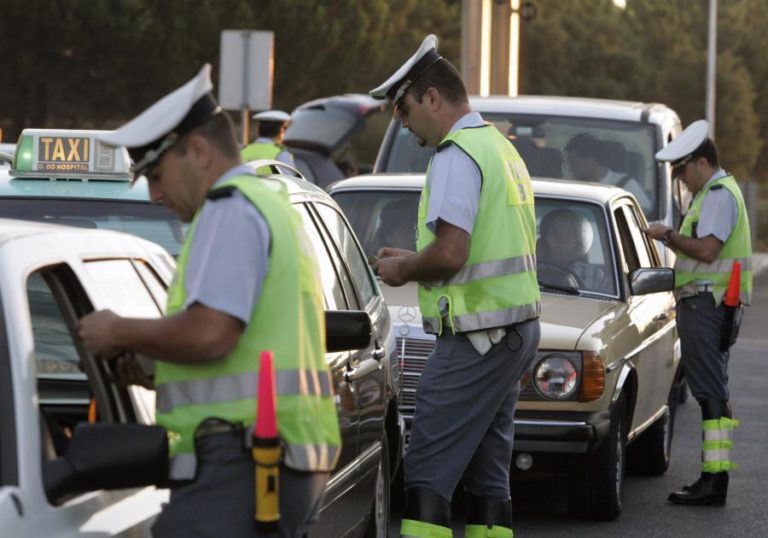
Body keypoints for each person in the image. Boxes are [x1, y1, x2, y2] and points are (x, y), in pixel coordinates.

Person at [77, 65, 340, 537]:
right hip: (274, 460)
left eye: (155, 175)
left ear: (197, 151)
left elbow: (212, 333)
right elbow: (246, 343)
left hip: (242, 464)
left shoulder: (229, 208)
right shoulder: (268, 202)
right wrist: (151, 362)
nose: (154, 194)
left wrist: (117, 330)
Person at [370, 35, 541, 537]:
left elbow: (451, 254)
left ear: (431, 98)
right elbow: (480, 248)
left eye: (402, 110)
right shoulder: (498, 148)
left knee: (425, 472)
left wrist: (404, 271)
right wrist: (411, 258)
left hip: (475, 338)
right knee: (489, 477)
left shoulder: (454, 154)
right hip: (511, 330)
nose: (403, 124)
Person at [643, 119, 752, 507]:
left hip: (707, 305)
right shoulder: (714, 194)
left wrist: (667, 235)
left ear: (702, 163)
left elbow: (706, 250)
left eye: (684, 170)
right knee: (712, 392)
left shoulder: (718, 194)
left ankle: (713, 480)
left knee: (710, 394)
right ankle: (713, 477)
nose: (683, 180)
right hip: (709, 304)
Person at [565, 132, 652, 210]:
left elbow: (646, 217)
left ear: (591, 159)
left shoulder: (627, 185)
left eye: (574, 164)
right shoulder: (571, 187)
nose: (570, 169)